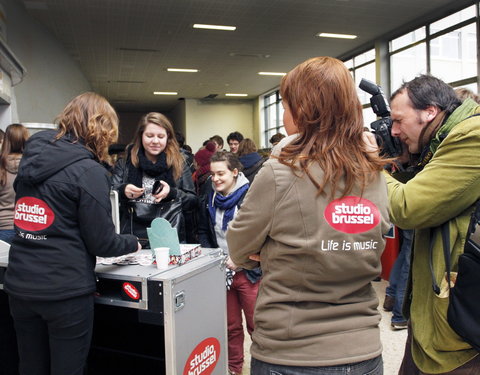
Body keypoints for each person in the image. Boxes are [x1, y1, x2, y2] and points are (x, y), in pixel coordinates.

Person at [227, 56, 391, 375]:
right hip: (363, 350)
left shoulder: (279, 171)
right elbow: (374, 241)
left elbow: (238, 246)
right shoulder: (372, 171)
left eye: (286, 106)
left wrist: (269, 251)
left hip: (291, 353)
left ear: (303, 111)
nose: (284, 115)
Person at [4, 92, 140, 375]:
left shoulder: (31, 158)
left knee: (30, 365)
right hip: (64, 291)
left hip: (20, 284)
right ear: (101, 130)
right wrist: (133, 243)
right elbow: (102, 241)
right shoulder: (88, 171)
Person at [381, 75, 480, 374]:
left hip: (461, 334)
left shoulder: (472, 136)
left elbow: (409, 207)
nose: (395, 131)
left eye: (399, 121)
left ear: (430, 112)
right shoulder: (440, 141)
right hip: (432, 321)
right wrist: (401, 162)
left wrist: (367, 164)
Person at [197, 151, 260, 375]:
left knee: (257, 326)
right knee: (231, 326)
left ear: (235, 173)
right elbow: (204, 230)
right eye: (213, 174)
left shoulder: (251, 196)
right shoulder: (209, 195)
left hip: (249, 272)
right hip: (222, 271)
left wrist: (240, 259)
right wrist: (214, 256)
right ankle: (234, 368)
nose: (215, 179)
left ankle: (264, 367)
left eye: (221, 173)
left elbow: (260, 235)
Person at [112, 112, 196, 245]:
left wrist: (172, 193)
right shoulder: (125, 163)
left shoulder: (179, 163)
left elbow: (193, 201)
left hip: (169, 236)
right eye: (149, 136)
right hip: (133, 237)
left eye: (161, 136)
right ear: (141, 136)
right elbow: (110, 195)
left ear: (168, 137)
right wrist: (123, 190)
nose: (155, 141)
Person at [0, 124, 29, 244]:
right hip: (28, 227)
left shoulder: (1, 166)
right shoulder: (34, 166)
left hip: (2, 227)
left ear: (6, 141)